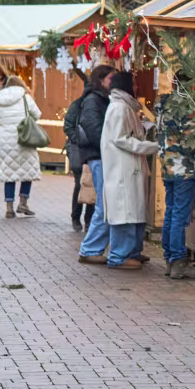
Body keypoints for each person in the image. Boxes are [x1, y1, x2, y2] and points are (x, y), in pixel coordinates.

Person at [99, 71, 158, 269]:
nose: (137, 87)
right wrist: (150, 147)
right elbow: (121, 138)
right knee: (125, 212)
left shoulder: (126, 108)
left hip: (130, 168)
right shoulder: (119, 108)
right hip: (122, 170)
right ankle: (118, 256)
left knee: (133, 211)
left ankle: (131, 251)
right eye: (133, 83)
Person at [156, 74, 195, 280]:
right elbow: (191, 142)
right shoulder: (185, 107)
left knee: (171, 213)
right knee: (180, 215)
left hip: (168, 166)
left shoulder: (162, 106)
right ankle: (179, 260)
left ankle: (170, 259)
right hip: (184, 168)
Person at [0, 75, 43, 219]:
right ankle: (23, 203)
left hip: (3, 141)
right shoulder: (25, 98)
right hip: (24, 139)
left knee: (9, 175)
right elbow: (37, 114)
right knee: (27, 172)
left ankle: (9, 209)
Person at [64, 65, 111, 232]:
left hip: (90, 150)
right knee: (81, 183)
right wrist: (79, 139)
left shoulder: (98, 101)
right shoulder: (81, 104)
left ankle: (89, 220)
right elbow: (68, 125)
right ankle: (76, 217)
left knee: (91, 185)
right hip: (81, 150)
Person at [75, 67, 114, 264]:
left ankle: (92, 248)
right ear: (101, 79)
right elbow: (93, 128)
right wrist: (108, 147)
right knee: (103, 203)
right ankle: (90, 248)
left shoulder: (99, 98)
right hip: (98, 156)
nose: (112, 81)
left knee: (104, 203)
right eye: (110, 77)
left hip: (99, 155)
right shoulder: (94, 100)